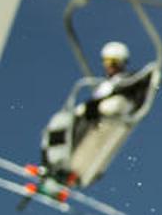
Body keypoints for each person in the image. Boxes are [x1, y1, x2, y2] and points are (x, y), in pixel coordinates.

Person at [40, 40, 153, 184]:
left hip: (106, 116)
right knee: (58, 124)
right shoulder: (107, 83)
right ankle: (50, 163)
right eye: (107, 62)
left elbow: (128, 90)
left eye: (114, 62)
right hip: (96, 114)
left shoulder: (126, 80)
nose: (110, 66)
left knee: (78, 126)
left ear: (122, 62)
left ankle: (65, 169)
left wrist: (151, 77)